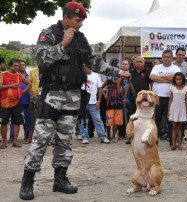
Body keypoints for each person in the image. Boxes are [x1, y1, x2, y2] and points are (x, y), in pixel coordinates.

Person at [19, 2, 129, 200]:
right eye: (78, 20)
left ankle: (60, 179)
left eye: (82, 21)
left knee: (64, 139)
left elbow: (95, 62)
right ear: (66, 17)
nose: (80, 25)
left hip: (73, 96)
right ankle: (27, 181)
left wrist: (118, 72)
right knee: (42, 138)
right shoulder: (49, 33)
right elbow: (42, 59)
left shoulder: (81, 38)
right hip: (52, 95)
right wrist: (63, 46)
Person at [0, 58, 31, 149]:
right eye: (15, 66)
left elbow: (29, 83)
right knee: (4, 123)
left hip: (17, 103)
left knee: (17, 123)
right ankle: (4, 142)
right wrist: (11, 85)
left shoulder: (19, 76)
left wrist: (23, 91)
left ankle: (15, 142)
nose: (18, 67)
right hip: (4, 103)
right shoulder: (3, 74)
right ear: (10, 66)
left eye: (19, 66)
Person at [150, 49, 180, 144]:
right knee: (156, 119)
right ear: (162, 58)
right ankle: (155, 140)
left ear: (172, 58)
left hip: (171, 98)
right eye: (164, 57)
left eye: (168, 57)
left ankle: (172, 139)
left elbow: (176, 79)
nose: (166, 58)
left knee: (170, 119)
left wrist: (160, 78)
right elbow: (153, 77)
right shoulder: (157, 67)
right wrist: (168, 80)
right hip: (157, 98)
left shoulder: (176, 68)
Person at [79, 64, 110, 144]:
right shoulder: (80, 75)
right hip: (82, 102)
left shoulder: (96, 75)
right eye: (85, 68)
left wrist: (98, 101)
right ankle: (84, 137)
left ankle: (102, 136)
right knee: (83, 120)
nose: (86, 70)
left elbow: (100, 88)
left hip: (93, 101)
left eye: (87, 68)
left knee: (98, 120)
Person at [124, 56, 152, 144]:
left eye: (141, 62)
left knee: (144, 118)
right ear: (134, 63)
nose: (139, 63)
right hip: (133, 99)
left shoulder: (148, 72)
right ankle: (131, 137)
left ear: (144, 63)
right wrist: (125, 97)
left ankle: (143, 136)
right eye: (137, 62)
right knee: (133, 118)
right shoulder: (131, 73)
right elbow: (128, 85)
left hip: (145, 100)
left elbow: (152, 84)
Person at [168, 72, 187, 151]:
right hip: (174, 108)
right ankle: (174, 144)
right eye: (177, 79)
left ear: (183, 80)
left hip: (182, 108)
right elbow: (170, 99)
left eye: (180, 79)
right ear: (174, 80)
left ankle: (180, 144)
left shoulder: (185, 89)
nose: (178, 81)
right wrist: (169, 111)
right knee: (174, 127)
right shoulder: (172, 88)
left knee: (180, 127)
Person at [10, 60, 31, 143]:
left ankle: (27, 136)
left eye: (23, 65)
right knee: (13, 119)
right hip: (15, 101)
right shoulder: (15, 76)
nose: (21, 66)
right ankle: (12, 137)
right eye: (20, 65)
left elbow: (30, 86)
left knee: (27, 119)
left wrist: (24, 91)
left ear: (25, 66)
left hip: (26, 101)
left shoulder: (28, 76)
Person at [102, 76, 123, 143]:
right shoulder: (108, 81)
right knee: (109, 121)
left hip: (118, 104)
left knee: (117, 121)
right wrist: (104, 94)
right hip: (109, 103)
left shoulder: (120, 81)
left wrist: (118, 84)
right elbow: (100, 87)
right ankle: (108, 135)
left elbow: (120, 93)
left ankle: (113, 136)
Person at [24, 67, 40, 144]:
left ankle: (50, 139)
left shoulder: (51, 70)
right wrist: (32, 96)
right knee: (33, 117)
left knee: (48, 118)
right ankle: (30, 137)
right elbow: (29, 84)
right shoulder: (32, 71)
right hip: (34, 97)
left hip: (46, 98)